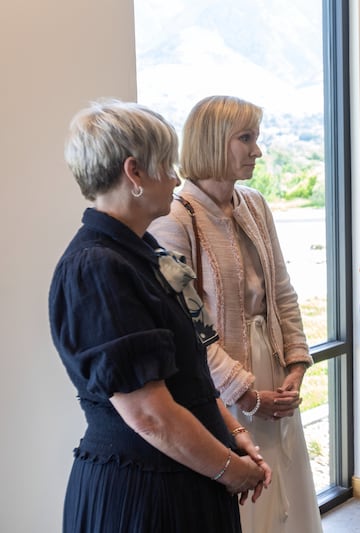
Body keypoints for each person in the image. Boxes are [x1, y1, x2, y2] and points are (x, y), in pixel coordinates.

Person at [50, 100, 270, 533]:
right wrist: (231, 470)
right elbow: (149, 414)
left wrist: (234, 434)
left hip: (183, 479)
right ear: (133, 172)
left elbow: (189, 374)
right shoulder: (97, 269)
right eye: (167, 166)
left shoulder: (144, 253)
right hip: (143, 493)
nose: (175, 177)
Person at [148, 95, 323, 533]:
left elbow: (281, 291)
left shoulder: (255, 204)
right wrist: (243, 394)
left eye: (256, 138)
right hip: (219, 384)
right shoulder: (174, 217)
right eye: (245, 138)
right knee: (245, 492)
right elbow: (187, 327)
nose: (257, 151)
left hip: (273, 368)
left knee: (286, 486)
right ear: (212, 141)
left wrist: (297, 364)